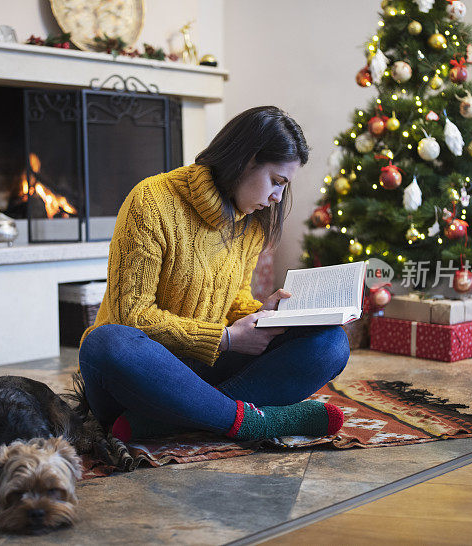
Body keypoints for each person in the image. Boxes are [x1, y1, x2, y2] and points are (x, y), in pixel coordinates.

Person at [78, 106, 350, 443]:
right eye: (276, 182)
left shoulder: (252, 221)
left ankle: (172, 420)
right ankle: (255, 422)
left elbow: (232, 299)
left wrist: (262, 314)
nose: (278, 197)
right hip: (142, 373)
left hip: (208, 369)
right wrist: (227, 339)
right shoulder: (151, 201)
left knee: (331, 343)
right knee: (105, 342)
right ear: (247, 160)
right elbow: (131, 317)